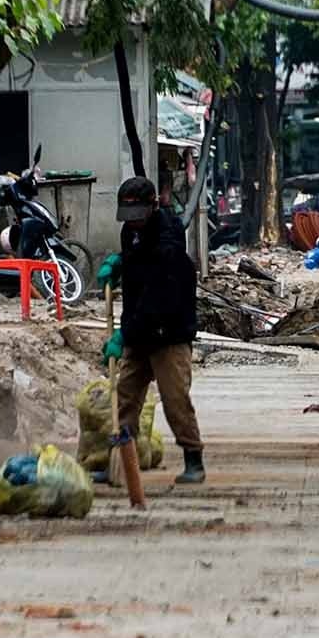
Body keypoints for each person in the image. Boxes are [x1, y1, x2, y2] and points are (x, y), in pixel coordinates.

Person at [111, 175, 205, 484]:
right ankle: (121, 460)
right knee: (125, 395)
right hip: (139, 329)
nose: (133, 223)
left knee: (175, 398)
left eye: (138, 216)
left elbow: (156, 289)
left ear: (153, 206)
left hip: (169, 330)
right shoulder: (130, 232)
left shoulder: (170, 236)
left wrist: (126, 331)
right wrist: (120, 264)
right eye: (129, 217)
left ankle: (193, 458)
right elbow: (136, 279)